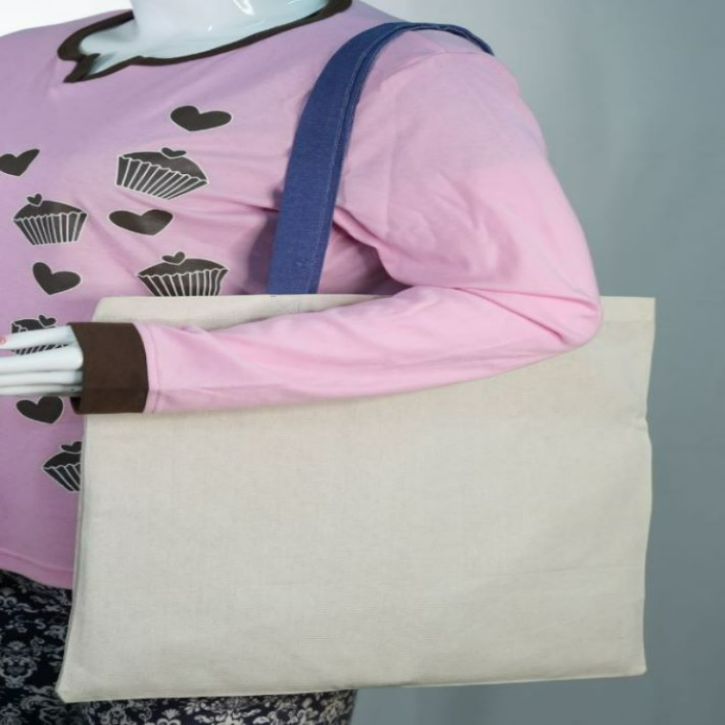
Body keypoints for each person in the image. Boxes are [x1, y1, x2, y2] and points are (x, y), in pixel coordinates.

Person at [0, 0, 602, 721]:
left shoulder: (407, 75)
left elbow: (532, 301)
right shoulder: (17, 55)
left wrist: (146, 362)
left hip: (211, 566)